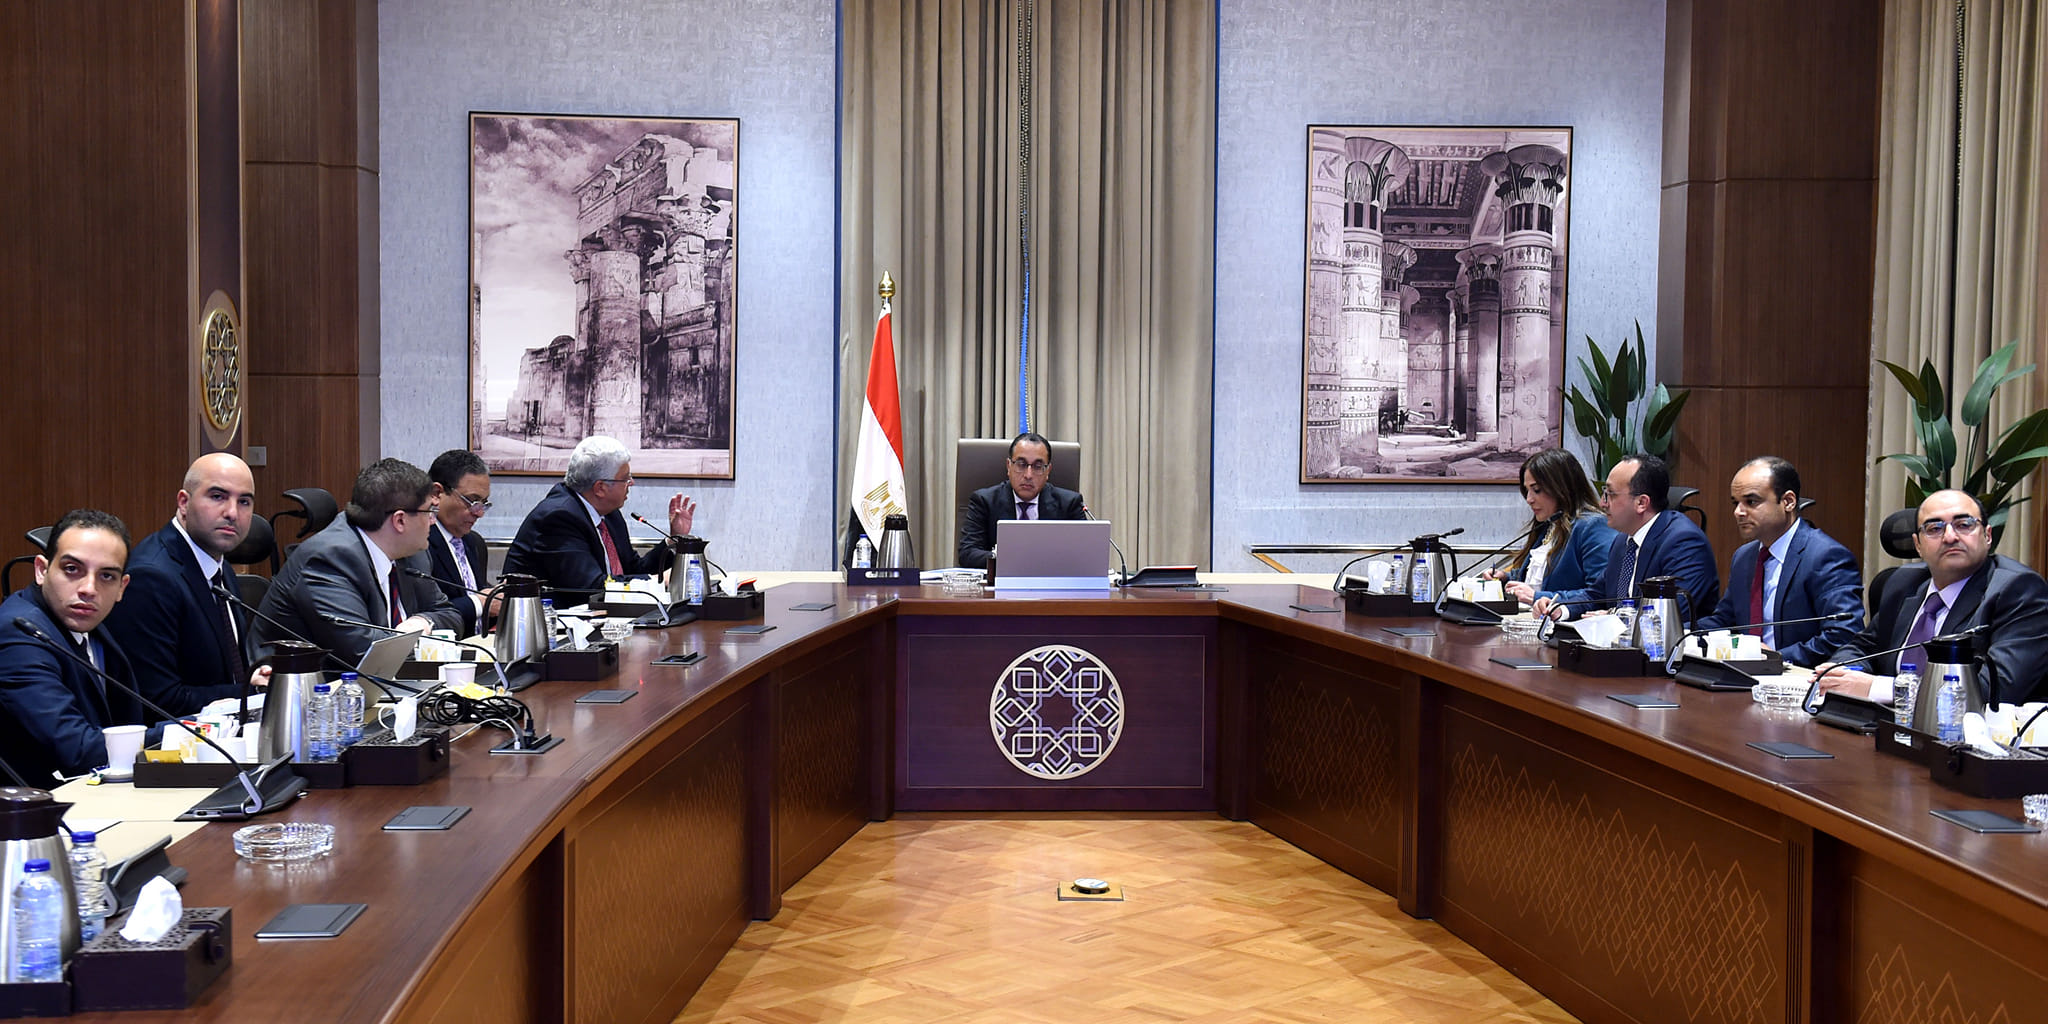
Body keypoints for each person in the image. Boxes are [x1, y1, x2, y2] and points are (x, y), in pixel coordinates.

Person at [1818, 489, 2048, 706]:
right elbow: (1862, 647)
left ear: (1987, 536)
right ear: (1918, 545)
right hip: (1884, 725)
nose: (1950, 537)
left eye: (1963, 525)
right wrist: (1839, 673)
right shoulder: (1902, 583)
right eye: (1934, 528)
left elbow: (1993, 691)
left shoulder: (2019, 591)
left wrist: (1878, 688)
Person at [255, 458, 465, 664]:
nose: (433, 521)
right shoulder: (329, 559)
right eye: (429, 511)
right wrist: (420, 638)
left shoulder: (412, 552)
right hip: (305, 681)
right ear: (400, 520)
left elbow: (450, 615)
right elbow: (363, 650)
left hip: (383, 680)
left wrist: (423, 622)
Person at [101, 453, 262, 716]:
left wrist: (255, 681)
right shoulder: (151, 577)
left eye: (244, 501)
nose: (232, 513)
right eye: (218, 496)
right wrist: (251, 692)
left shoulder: (218, 565)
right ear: (184, 503)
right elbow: (158, 701)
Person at [0, 510, 142, 785]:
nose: (88, 588)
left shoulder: (87, 624)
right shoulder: (18, 633)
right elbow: (78, 750)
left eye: (106, 576)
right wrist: (189, 731)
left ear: (122, 587)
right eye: (72, 569)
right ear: (42, 570)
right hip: (37, 805)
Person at [1695, 457, 1863, 667]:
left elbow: (1843, 634)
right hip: (1745, 675)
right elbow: (1723, 621)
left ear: (1788, 502)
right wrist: (1678, 635)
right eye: (1735, 503)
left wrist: (1777, 658)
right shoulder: (1744, 557)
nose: (1738, 512)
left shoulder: (1825, 556)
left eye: (1751, 502)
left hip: (1798, 676)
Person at [502, 436, 698, 597]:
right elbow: (590, 587)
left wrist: (674, 540)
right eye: (625, 478)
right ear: (600, 488)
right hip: (550, 625)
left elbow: (633, 570)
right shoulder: (558, 518)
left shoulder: (610, 515)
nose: (631, 483)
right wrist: (656, 581)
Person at [1532, 453, 1720, 621]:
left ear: (1641, 502)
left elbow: (1673, 612)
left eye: (1610, 494)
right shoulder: (1623, 541)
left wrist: (1616, 618)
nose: (1602, 503)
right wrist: (1561, 609)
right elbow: (1597, 594)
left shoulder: (1683, 542)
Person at [1484, 448, 1616, 606]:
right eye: (1527, 491)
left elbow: (1600, 594)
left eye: (1536, 490)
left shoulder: (1592, 526)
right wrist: (1505, 578)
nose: (1529, 499)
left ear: (1562, 487)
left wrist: (1538, 597)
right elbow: (1541, 577)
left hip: (1566, 620)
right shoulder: (1550, 524)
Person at [957, 432, 1087, 569]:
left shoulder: (1070, 504)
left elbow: (1085, 553)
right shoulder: (984, 501)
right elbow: (967, 553)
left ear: (1048, 471)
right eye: (1021, 464)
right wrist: (1011, 559)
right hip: (1002, 581)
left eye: (1037, 466)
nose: (1028, 475)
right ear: (1009, 466)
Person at [425, 449, 497, 636]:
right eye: (472, 501)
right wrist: (480, 602)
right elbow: (424, 613)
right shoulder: (418, 544)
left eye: (484, 503)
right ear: (437, 493)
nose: (479, 513)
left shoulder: (473, 542)